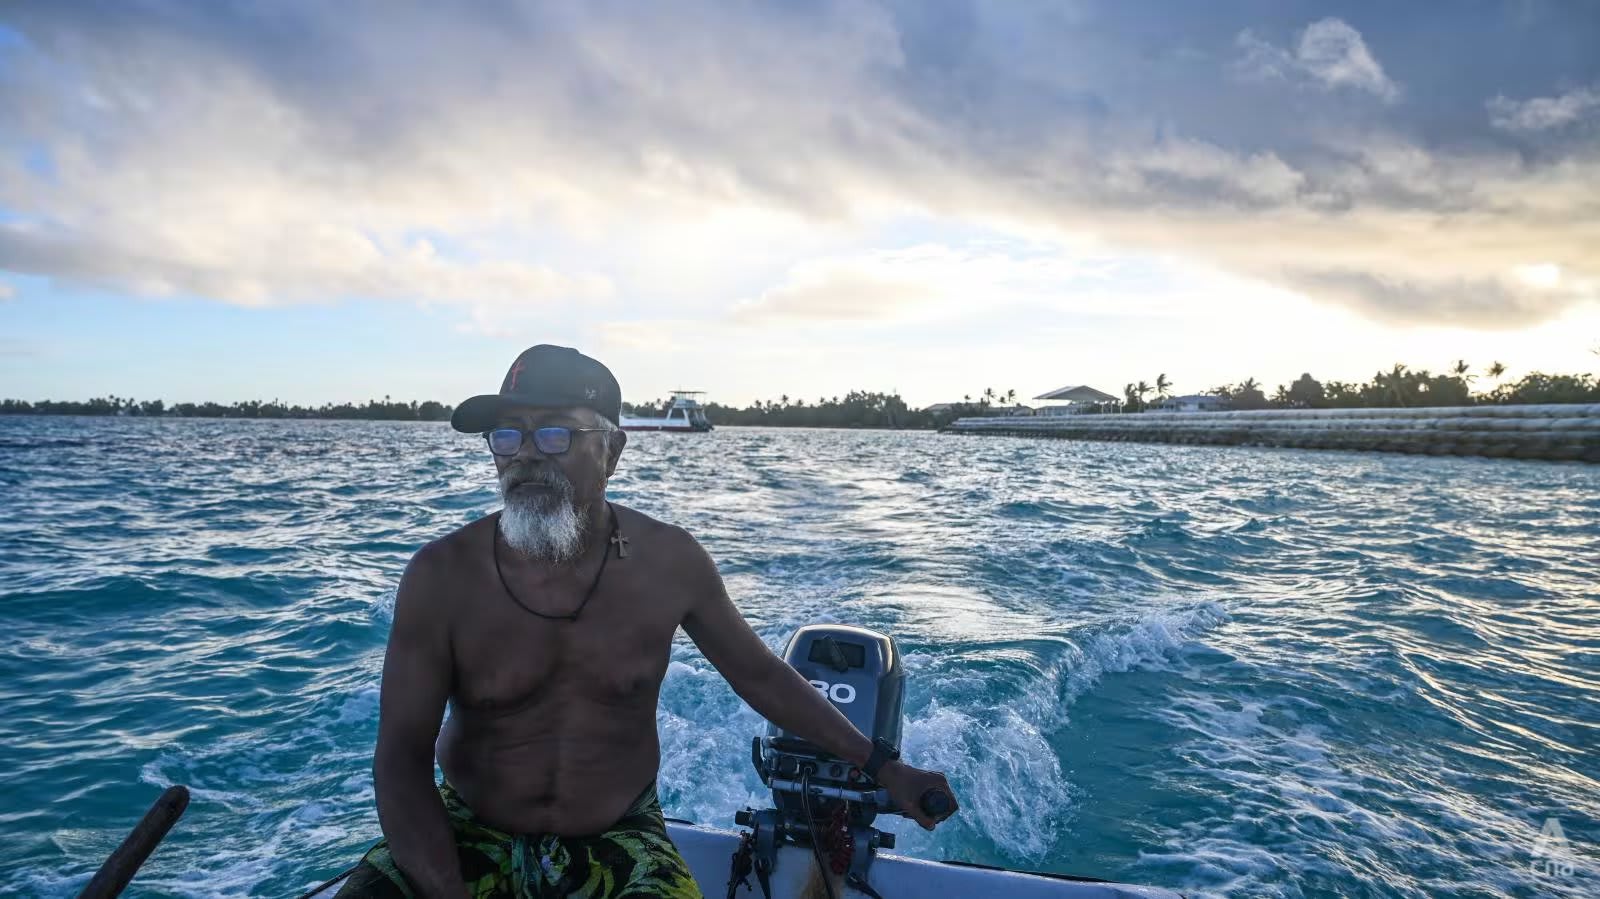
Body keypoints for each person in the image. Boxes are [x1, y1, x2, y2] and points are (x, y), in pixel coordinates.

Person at [337, 345, 959, 898]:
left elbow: (760, 676)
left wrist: (883, 767)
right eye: (507, 434)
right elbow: (400, 759)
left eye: (554, 433)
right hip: (471, 828)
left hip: (620, 835)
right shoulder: (442, 577)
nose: (524, 455)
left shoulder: (669, 563)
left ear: (611, 451)